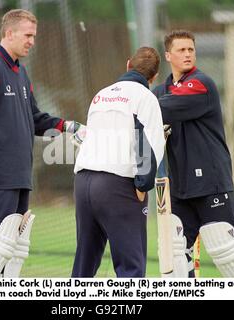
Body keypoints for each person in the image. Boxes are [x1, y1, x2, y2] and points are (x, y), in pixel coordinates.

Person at [0, 9, 85, 277]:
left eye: (34, 35)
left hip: (20, 172)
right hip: (1, 172)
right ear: (9, 33)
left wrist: (68, 126)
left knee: (12, 243)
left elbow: (33, 118)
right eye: (28, 35)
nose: (32, 41)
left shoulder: (21, 73)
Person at [152, 30, 234, 277]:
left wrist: (135, 103)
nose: (188, 54)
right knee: (173, 252)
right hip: (179, 188)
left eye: (191, 49)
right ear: (168, 55)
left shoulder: (201, 84)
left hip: (211, 183)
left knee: (225, 250)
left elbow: (157, 108)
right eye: (181, 50)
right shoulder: (160, 91)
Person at [72, 47, 165, 277]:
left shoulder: (100, 95)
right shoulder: (146, 98)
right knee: (130, 269)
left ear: (128, 65)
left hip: (83, 183)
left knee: (84, 266)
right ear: (154, 77)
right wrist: (143, 185)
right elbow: (148, 144)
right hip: (117, 186)